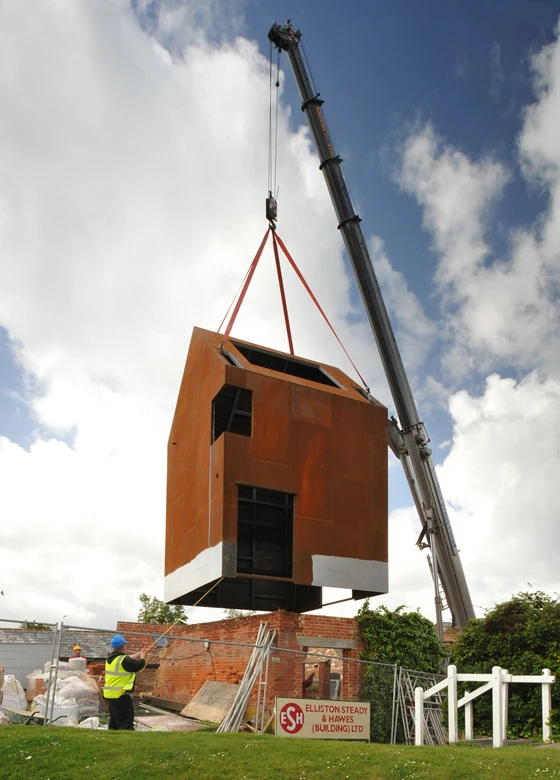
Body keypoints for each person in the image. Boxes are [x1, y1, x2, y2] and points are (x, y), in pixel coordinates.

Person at [103, 634, 148, 730]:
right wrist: (143, 657)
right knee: (125, 722)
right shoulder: (124, 660)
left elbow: (128, 658)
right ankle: (125, 740)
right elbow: (138, 665)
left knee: (114, 722)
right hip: (121, 696)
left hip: (111, 695)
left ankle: (113, 740)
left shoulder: (111, 659)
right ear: (123, 646)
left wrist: (139, 653)